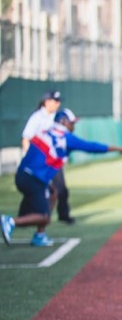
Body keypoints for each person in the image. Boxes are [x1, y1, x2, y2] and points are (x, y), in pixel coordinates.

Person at [1, 109, 122, 247]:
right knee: (43, 217)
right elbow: (91, 147)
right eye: (72, 123)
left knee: (52, 194)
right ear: (63, 122)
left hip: (23, 175)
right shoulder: (65, 137)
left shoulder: (45, 132)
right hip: (34, 179)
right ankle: (10, 222)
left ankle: (39, 235)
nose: (73, 126)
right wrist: (118, 148)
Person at [21, 90, 75, 225]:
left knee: (60, 189)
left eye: (58, 101)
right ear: (47, 101)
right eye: (55, 101)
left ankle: (63, 215)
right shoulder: (37, 117)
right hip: (39, 163)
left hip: (52, 162)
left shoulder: (55, 117)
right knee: (38, 190)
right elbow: (26, 138)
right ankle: (25, 217)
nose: (58, 104)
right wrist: (32, 159)